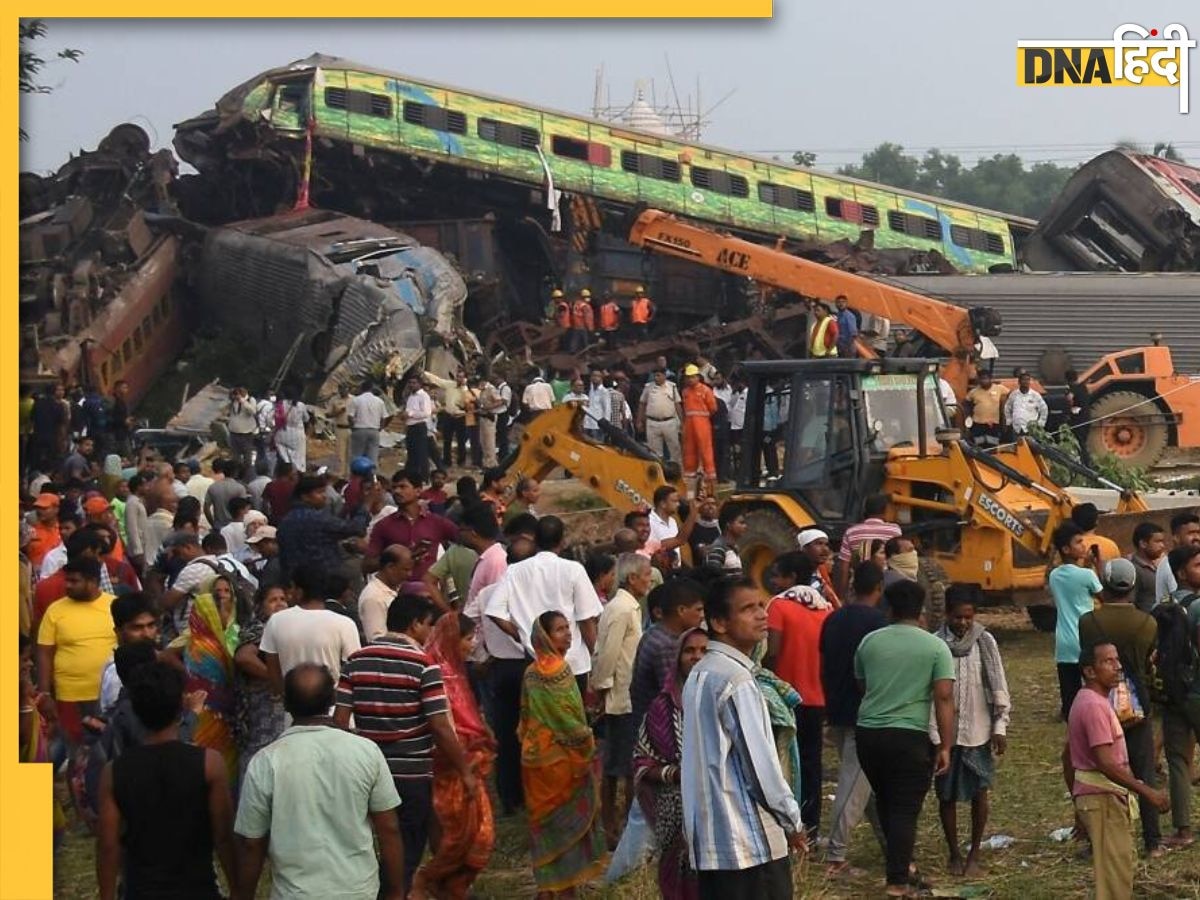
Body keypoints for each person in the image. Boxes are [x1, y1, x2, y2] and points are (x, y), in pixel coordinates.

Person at [234, 664, 405, 900]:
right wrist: (396, 891)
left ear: (286, 703)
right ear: (332, 699)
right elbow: (389, 828)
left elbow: (252, 844)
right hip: (358, 891)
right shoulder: (366, 751)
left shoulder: (265, 761)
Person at [681, 577, 806, 897]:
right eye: (748, 609)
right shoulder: (735, 679)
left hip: (712, 840)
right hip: (748, 843)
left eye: (761, 605)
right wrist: (792, 820)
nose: (762, 614)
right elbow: (760, 768)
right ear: (720, 622)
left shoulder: (702, 671)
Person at [96, 661, 235, 900]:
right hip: (198, 890)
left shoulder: (114, 772)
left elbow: (108, 846)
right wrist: (240, 889)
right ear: (181, 705)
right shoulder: (209, 764)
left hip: (140, 891)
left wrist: (107, 895)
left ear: (137, 711)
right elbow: (224, 837)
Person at [854, 579, 955, 897]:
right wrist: (946, 745)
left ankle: (903, 867)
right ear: (921, 610)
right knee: (904, 809)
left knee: (886, 799)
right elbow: (943, 699)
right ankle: (897, 881)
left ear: (890, 609)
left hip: (868, 734)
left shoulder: (869, 642)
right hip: (909, 736)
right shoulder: (935, 647)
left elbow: (862, 685)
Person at [1064, 642, 1169, 900]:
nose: (1118, 666)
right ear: (1090, 671)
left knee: (1120, 868)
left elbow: (1066, 756)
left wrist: (1078, 800)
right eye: (1108, 661)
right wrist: (1148, 793)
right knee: (1114, 880)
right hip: (1102, 799)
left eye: (1117, 659)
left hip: (1100, 797)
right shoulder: (1094, 707)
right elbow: (1106, 763)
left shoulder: (1090, 700)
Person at [519, 610, 608, 897]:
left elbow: (524, 717)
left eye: (568, 628)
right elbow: (569, 722)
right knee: (565, 825)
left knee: (544, 825)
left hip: (535, 761)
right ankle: (565, 889)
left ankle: (547, 887)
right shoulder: (559, 670)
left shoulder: (531, 672)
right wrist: (586, 738)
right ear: (544, 636)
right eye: (559, 629)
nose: (568, 634)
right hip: (562, 762)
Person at [1077, 559, 1161, 855]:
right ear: (1133, 585)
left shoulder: (1089, 621)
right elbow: (1150, 662)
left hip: (1099, 701)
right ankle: (1153, 841)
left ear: (1104, 583)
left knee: (1097, 770)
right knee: (1143, 770)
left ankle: (1094, 840)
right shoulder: (1147, 623)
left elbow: (1085, 654)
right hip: (1136, 706)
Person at [413, 612, 497, 900]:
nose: (472, 645)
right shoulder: (437, 673)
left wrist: (481, 730)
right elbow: (444, 725)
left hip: (466, 763)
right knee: (457, 836)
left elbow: (468, 715)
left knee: (478, 834)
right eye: (468, 638)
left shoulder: (455, 670)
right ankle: (429, 881)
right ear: (452, 639)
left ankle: (450, 886)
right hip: (450, 767)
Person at [933, 585, 1013, 877]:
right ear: (946, 615)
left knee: (980, 792)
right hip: (945, 734)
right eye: (957, 618)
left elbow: (998, 685)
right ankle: (954, 852)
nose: (963, 623)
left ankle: (975, 852)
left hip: (978, 730)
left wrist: (1000, 726)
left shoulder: (985, 642)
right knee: (946, 796)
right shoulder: (935, 643)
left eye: (968, 617)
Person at [820, 561, 888, 877]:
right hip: (865, 714)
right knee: (852, 784)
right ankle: (836, 857)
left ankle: (892, 844)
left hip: (837, 707)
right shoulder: (879, 623)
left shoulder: (832, 619)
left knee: (869, 786)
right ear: (879, 588)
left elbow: (824, 664)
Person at [486, 516, 604, 697]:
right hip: (572, 664)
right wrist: (596, 658)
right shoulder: (573, 569)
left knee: (541, 721)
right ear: (562, 541)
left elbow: (494, 611)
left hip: (535, 661)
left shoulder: (515, 571)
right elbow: (587, 619)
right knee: (571, 721)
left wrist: (522, 635)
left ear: (534, 540)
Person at [633, 627, 707, 900]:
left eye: (704, 651)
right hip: (675, 809)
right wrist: (675, 774)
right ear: (677, 657)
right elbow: (643, 758)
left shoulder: (724, 700)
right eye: (689, 651)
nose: (697, 657)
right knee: (677, 877)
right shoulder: (662, 706)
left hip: (717, 808)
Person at [764, 552, 834, 839]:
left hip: (784, 699)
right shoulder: (824, 609)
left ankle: (784, 827)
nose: (773, 580)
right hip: (816, 699)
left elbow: (772, 651)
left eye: (778, 575)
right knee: (811, 764)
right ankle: (811, 827)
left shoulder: (778, 606)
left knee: (780, 764)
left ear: (791, 578)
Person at [591, 553, 649, 846]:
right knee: (619, 766)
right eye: (646, 575)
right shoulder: (622, 609)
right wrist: (602, 690)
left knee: (624, 764)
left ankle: (621, 825)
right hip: (620, 698)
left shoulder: (629, 607)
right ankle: (613, 826)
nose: (649, 580)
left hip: (627, 695)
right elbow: (608, 655)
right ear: (632, 578)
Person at [36, 557, 116, 749]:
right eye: (67, 580)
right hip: (70, 695)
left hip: (108, 695)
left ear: (93, 582)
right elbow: (44, 653)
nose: (67, 585)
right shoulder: (55, 610)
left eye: (74, 581)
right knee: (76, 751)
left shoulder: (115, 606)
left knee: (105, 750)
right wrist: (45, 693)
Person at [1156, 544, 1200, 848]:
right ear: (1182, 572)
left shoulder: (1165, 605)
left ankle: (1183, 831)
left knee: (1177, 760)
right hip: (1197, 691)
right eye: (1198, 565)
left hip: (1174, 693)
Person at [260, 563, 362, 692]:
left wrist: (284, 696)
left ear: (299, 591)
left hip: (293, 707)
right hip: (332, 706)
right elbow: (354, 670)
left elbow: (273, 668)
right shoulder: (345, 624)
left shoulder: (276, 621)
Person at [233, 584, 289, 784]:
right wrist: (275, 680)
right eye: (273, 600)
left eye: (283, 599)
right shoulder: (258, 628)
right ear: (260, 606)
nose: (280, 604)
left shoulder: (285, 627)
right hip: (262, 704)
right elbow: (244, 658)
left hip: (278, 703)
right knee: (260, 755)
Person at [1048, 522, 1103, 721]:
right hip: (1085, 635)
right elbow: (1103, 596)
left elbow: (1073, 581)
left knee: (1069, 686)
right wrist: (1098, 565)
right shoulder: (1088, 575)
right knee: (1093, 681)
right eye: (1078, 542)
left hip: (1064, 638)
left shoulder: (1054, 576)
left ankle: (1069, 713)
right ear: (1066, 549)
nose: (1083, 546)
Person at [834, 494, 901, 598]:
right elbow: (898, 560)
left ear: (865, 510)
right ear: (886, 510)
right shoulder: (894, 530)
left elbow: (844, 567)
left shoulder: (851, 532)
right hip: (886, 586)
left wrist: (841, 596)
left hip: (859, 586)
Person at [359, 544, 413, 642]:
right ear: (390, 567)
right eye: (406, 570)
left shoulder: (396, 589)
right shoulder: (373, 597)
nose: (410, 574)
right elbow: (377, 640)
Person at [680, 365, 718, 489]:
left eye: (693, 377)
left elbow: (713, 408)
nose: (690, 379)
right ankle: (690, 475)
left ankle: (710, 475)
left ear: (698, 377)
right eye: (688, 377)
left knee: (705, 448)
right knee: (689, 449)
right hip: (689, 423)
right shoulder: (685, 391)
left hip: (702, 422)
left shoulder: (706, 390)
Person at [637, 368, 684, 465]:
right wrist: (639, 421)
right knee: (654, 453)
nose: (656, 378)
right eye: (655, 375)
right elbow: (642, 404)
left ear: (664, 376)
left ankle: (678, 472)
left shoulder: (672, 387)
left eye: (658, 375)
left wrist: (682, 421)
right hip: (652, 422)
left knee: (675, 450)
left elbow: (677, 405)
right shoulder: (648, 387)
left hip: (669, 422)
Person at [1155, 512, 1200, 604]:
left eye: (1198, 533)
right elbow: (1180, 601)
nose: (1196, 537)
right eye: (1191, 533)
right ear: (1176, 537)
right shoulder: (1170, 564)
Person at [963, 370, 1009, 449]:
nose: (983, 381)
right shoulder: (973, 392)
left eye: (985, 378)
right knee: (979, 446)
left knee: (992, 447)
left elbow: (1010, 395)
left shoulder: (1000, 388)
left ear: (990, 379)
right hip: (978, 424)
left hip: (993, 425)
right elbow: (966, 404)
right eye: (981, 379)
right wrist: (968, 418)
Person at [1128, 521, 1167, 613]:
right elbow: (1130, 602)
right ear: (1143, 544)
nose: (1162, 546)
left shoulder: (1157, 566)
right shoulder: (1134, 570)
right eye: (1158, 542)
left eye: (1162, 541)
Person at [402, 376, 435, 480]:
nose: (412, 385)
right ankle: (411, 476)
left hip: (419, 427)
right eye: (410, 383)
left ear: (419, 384)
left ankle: (424, 477)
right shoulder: (411, 396)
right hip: (410, 427)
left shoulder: (423, 396)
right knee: (411, 453)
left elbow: (426, 413)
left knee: (421, 453)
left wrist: (410, 414)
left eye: (414, 383)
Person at [348, 383, 389, 466]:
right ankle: (372, 476)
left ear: (361, 389)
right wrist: (380, 428)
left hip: (359, 430)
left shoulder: (356, 400)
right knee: (373, 456)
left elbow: (350, 416)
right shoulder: (379, 401)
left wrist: (353, 426)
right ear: (372, 389)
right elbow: (384, 417)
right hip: (374, 431)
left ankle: (356, 476)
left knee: (356, 455)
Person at [701, 505, 746, 574]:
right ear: (729, 525)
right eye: (741, 523)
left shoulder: (733, 548)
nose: (745, 526)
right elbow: (712, 577)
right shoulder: (718, 548)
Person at [1003, 371, 1048, 436]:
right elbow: (1007, 408)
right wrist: (1009, 421)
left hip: (1031, 429)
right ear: (1019, 382)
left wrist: (1040, 423)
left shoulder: (1035, 395)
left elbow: (1044, 409)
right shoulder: (1013, 395)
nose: (1026, 382)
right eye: (1023, 380)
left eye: (1027, 380)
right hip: (1016, 429)